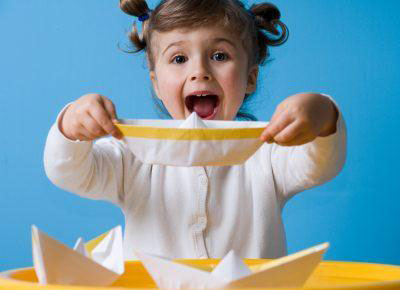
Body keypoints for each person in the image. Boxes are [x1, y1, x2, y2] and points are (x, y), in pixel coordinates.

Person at [44, 0, 346, 260]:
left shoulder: (267, 152)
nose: (199, 71)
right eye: (179, 59)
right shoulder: (134, 153)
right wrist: (71, 125)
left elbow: (320, 164)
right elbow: (69, 172)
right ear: (156, 84)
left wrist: (322, 113)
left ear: (250, 78)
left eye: (219, 56)